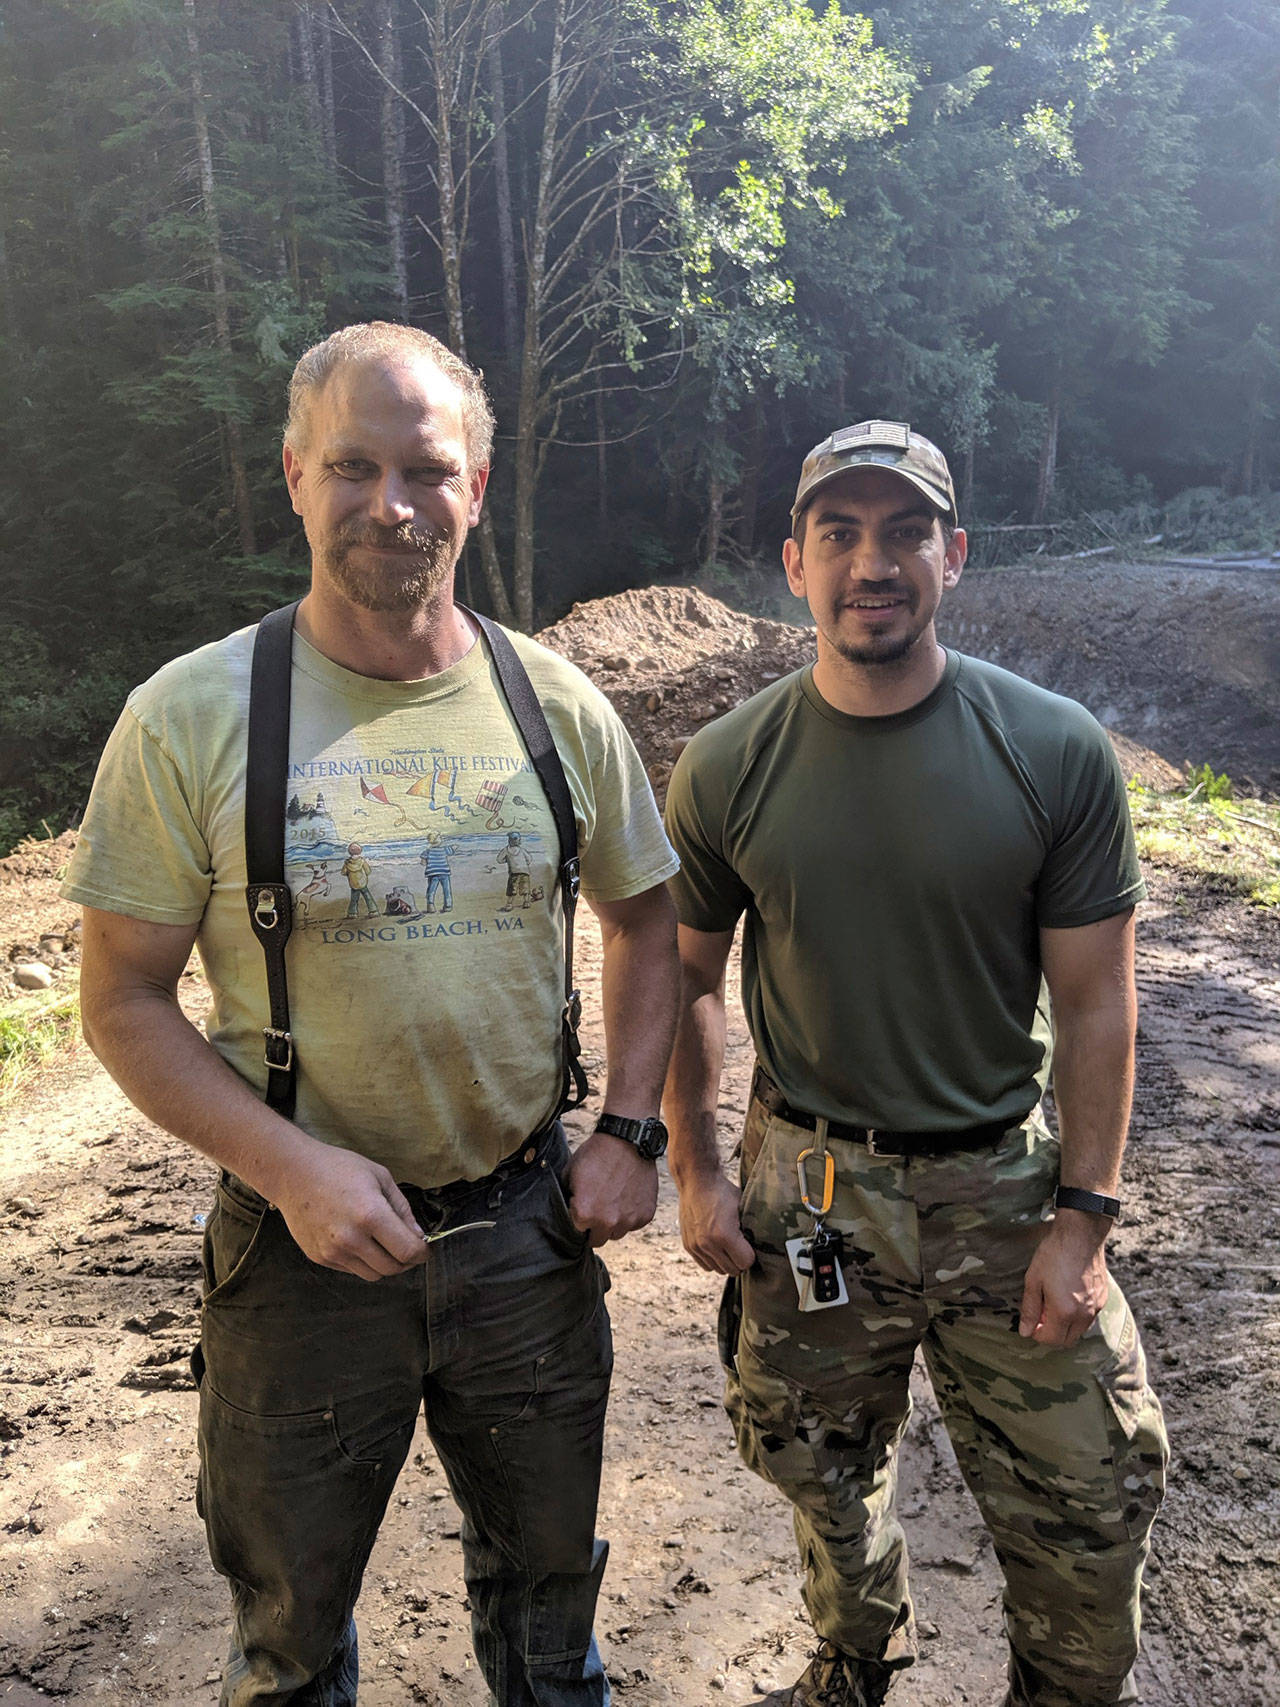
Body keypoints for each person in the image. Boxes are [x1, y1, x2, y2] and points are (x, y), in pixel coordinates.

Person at [64, 321, 680, 1707]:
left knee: (548, 1626)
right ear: (294, 473)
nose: (390, 503)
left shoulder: (556, 705)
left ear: (476, 482)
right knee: (288, 1644)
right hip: (300, 1264)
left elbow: (648, 918)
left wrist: (631, 1129)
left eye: (426, 468)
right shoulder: (192, 717)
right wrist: (288, 1165)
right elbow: (120, 997)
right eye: (353, 464)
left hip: (528, 1239)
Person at [662, 421, 1168, 1707]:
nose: (869, 563)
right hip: (813, 1195)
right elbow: (682, 980)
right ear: (791, 560)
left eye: (902, 534)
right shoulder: (726, 764)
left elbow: (1097, 1001)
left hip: (1004, 1197)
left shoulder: (1051, 749)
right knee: (816, 1465)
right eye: (838, 533)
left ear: (954, 554)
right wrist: (698, 1172)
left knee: (1088, 1495)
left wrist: (1084, 1217)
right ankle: (853, 1660)